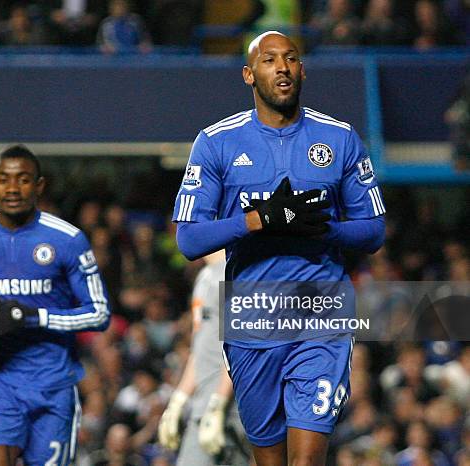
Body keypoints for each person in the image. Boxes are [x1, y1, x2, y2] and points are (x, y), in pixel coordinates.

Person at [172, 31, 386, 465]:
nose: (282, 67)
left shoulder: (340, 138)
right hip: (252, 319)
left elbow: (374, 230)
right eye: (269, 60)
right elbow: (189, 240)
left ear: (302, 70)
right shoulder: (216, 142)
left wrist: (325, 231)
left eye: (290, 59)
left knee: (306, 460)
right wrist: (259, 220)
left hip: (320, 315)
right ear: (250, 75)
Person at [0, 144, 110, 466]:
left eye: (23, 179)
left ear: (39, 186)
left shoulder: (68, 240)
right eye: (3, 179)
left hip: (52, 387)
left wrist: (32, 317)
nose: (13, 188)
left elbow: (99, 313)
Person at [157, 250, 250, 465]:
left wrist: (218, 403)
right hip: (203, 407)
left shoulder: (233, 274)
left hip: (229, 410)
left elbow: (240, 347)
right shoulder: (204, 276)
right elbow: (199, 348)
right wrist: (178, 400)